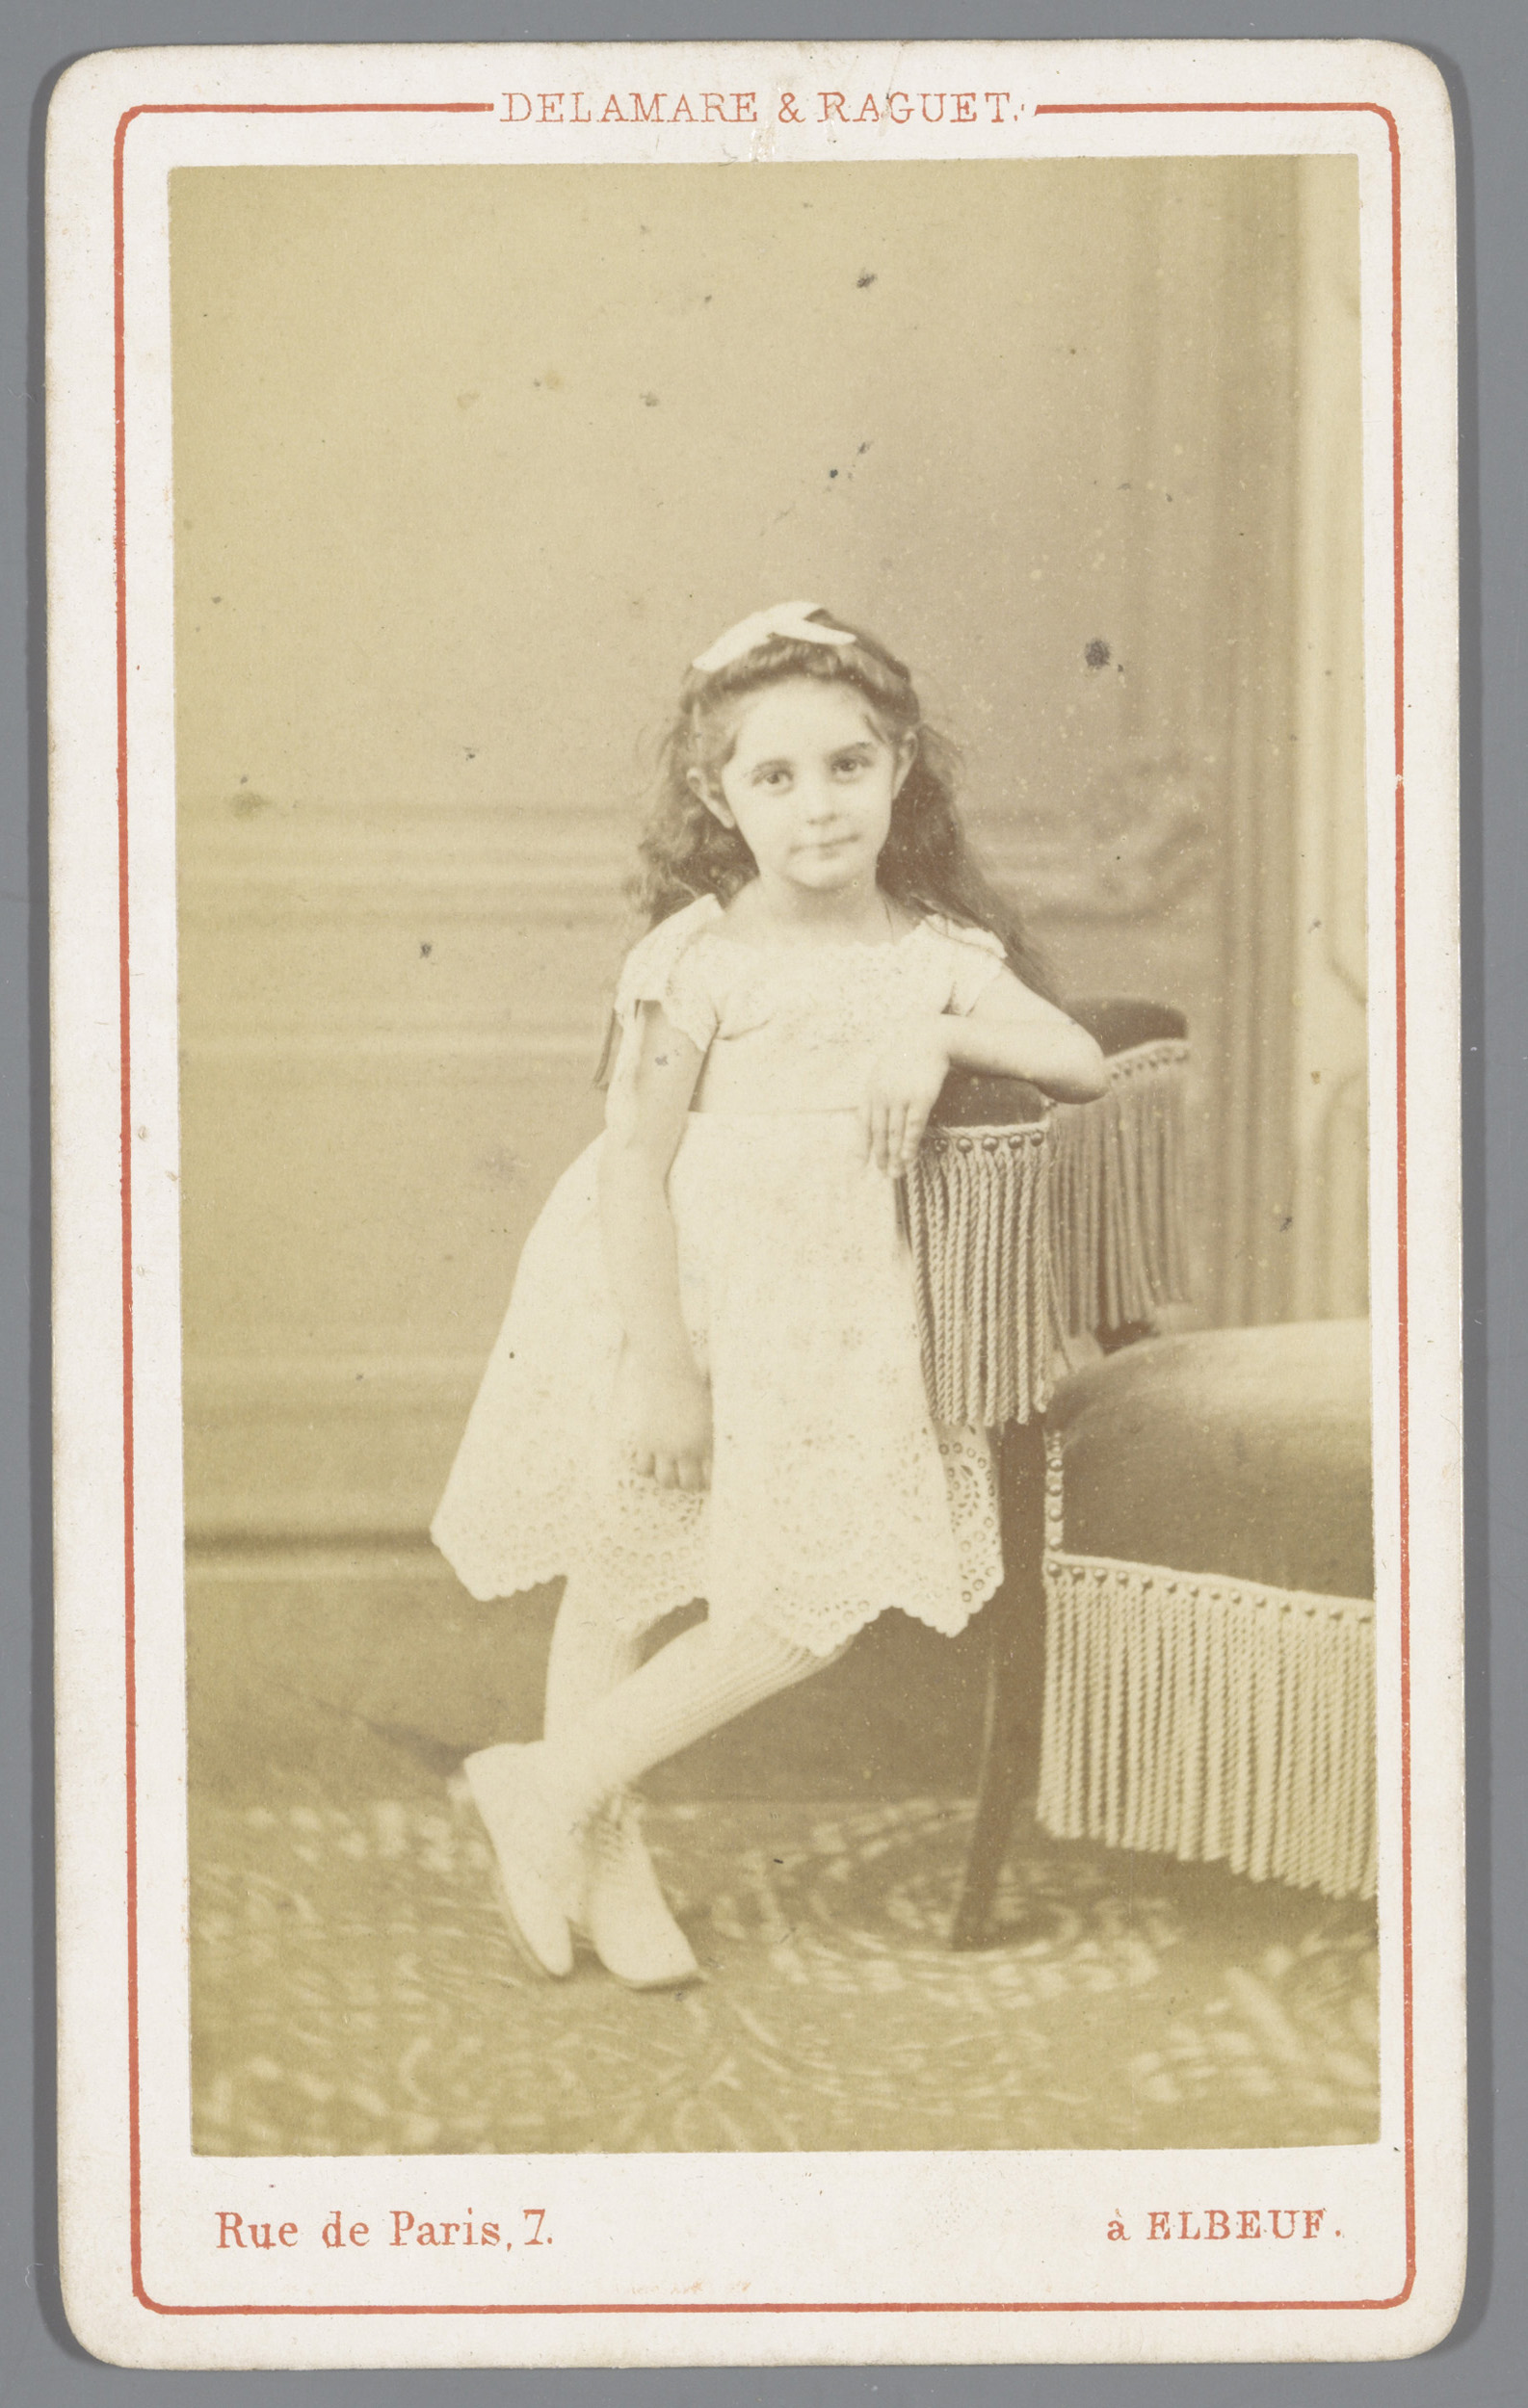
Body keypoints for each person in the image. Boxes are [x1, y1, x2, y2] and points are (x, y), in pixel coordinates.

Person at [432, 601, 1107, 1989]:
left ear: (900, 764)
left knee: (809, 1599)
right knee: (623, 1567)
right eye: (775, 777)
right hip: (667, 1299)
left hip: (831, 1323)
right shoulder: (697, 960)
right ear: (715, 794)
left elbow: (1079, 1060)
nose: (818, 807)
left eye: (848, 766)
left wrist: (940, 1032)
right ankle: (599, 1862)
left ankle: (543, 1785)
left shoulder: (935, 953)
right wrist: (661, 1370)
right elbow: (634, 1165)